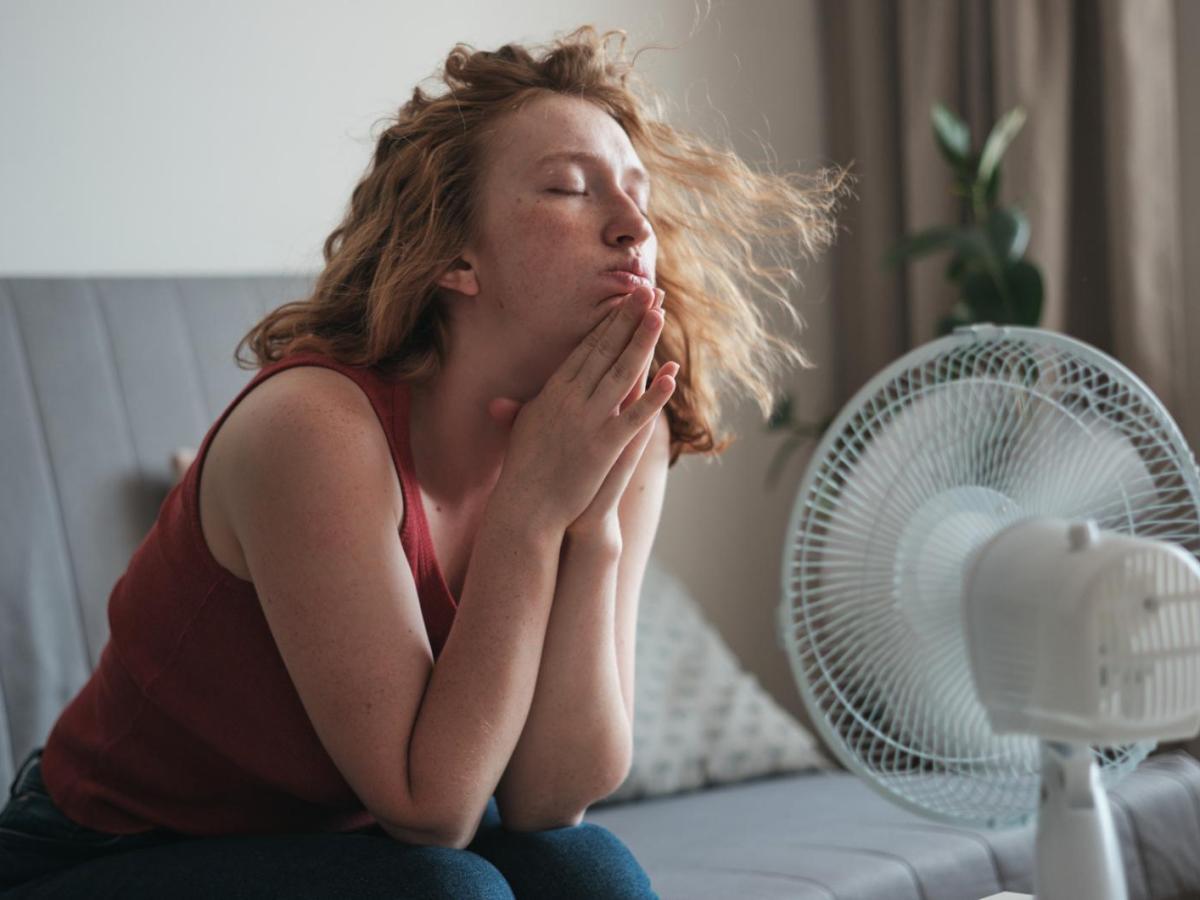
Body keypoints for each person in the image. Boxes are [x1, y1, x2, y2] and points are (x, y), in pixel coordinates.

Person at [0, 24, 850, 899]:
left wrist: (587, 524)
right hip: (110, 852)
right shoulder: (315, 430)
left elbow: (554, 797)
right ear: (455, 256)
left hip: (356, 841)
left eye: (635, 193)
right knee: (449, 893)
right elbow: (430, 811)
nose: (634, 226)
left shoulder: (624, 430)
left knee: (589, 872)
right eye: (568, 188)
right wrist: (528, 511)